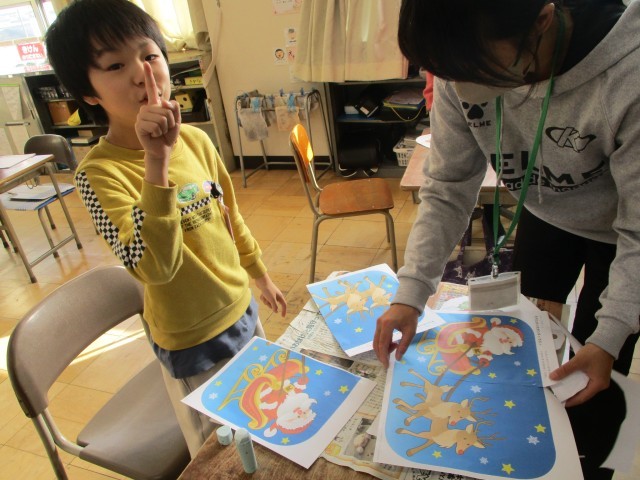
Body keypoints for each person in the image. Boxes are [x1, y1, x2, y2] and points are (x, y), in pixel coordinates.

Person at [373, 1, 640, 478]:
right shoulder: (461, 59)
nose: (465, 90)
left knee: (597, 365)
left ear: (542, 21)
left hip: (621, 233)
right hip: (544, 210)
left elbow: (638, 231)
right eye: (451, 76)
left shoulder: (628, 73)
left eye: (481, 72)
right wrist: (411, 292)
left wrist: (611, 335)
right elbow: (448, 186)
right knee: (524, 344)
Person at [45, 0, 287, 457]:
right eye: (115, 65)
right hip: (191, 340)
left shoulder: (195, 139)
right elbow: (153, 266)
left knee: (269, 418)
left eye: (149, 55)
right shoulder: (96, 175)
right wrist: (155, 162)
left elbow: (229, 216)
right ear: (88, 93)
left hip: (241, 307)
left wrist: (260, 276)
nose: (143, 74)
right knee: (223, 450)